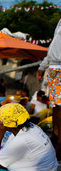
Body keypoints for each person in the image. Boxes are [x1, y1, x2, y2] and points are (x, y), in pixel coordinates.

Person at [37, 18, 61, 159]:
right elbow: (53, 47)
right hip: (53, 68)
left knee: (60, 107)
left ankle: (59, 142)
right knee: (56, 107)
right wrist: (42, 65)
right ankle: (56, 138)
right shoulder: (59, 22)